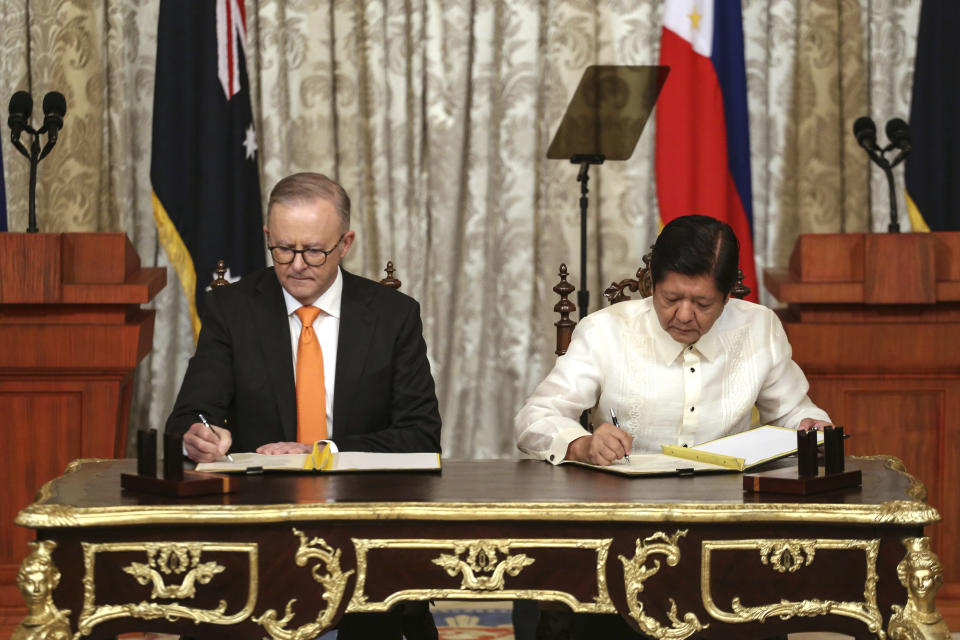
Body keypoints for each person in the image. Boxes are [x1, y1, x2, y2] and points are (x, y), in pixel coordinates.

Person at [165, 172, 441, 639]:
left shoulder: (393, 316)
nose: (297, 265)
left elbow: (420, 433)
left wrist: (321, 450)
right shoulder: (232, 311)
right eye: (283, 250)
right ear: (267, 238)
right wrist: (200, 434)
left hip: (359, 530)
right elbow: (188, 417)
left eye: (314, 250)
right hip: (256, 534)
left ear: (345, 242)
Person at [516, 213, 831, 467]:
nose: (683, 315)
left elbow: (795, 413)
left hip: (728, 505)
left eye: (702, 304)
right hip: (626, 508)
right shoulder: (605, 331)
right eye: (670, 298)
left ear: (727, 296)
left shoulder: (759, 327)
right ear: (653, 282)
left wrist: (813, 429)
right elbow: (535, 419)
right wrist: (582, 445)